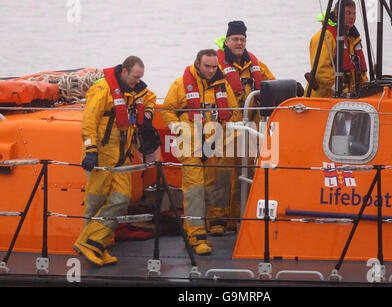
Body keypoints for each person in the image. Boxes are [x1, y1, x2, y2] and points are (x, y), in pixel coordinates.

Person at [74, 56, 157, 266]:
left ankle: (91, 243)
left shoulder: (136, 91)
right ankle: (95, 246)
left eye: (140, 78)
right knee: (96, 202)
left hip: (123, 157)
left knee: (121, 200)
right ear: (124, 72)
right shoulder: (102, 89)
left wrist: (147, 115)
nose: (137, 81)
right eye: (135, 77)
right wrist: (91, 149)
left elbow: (150, 98)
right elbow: (89, 121)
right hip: (100, 156)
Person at [161, 49, 240, 255]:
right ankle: (196, 237)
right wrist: (178, 128)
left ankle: (212, 224)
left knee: (214, 186)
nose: (212, 70)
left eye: (215, 67)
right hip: (191, 144)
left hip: (216, 143)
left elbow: (234, 111)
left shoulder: (223, 85)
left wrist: (228, 129)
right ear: (197, 63)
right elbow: (167, 110)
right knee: (194, 190)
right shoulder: (180, 85)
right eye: (207, 66)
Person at [215, 20, 276, 231]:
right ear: (227, 40)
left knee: (247, 173)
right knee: (222, 174)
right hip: (226, 127)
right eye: (235, 39)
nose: (239, 43)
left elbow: (272, 83)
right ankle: (217, 221)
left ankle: (238, 219)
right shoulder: (216, 64)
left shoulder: (255, 64)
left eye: (242, 39)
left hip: (251, 126)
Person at [307, 0, 368, 98]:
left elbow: (359, 70)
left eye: (354, 13)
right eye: (348, 13)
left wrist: (366, 88)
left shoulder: (351, 39)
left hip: (347, 99)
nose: (352, 17)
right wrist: (340, 89)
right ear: (337, 13)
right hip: (323, 101)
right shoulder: (324, 37)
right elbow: (321, 70)